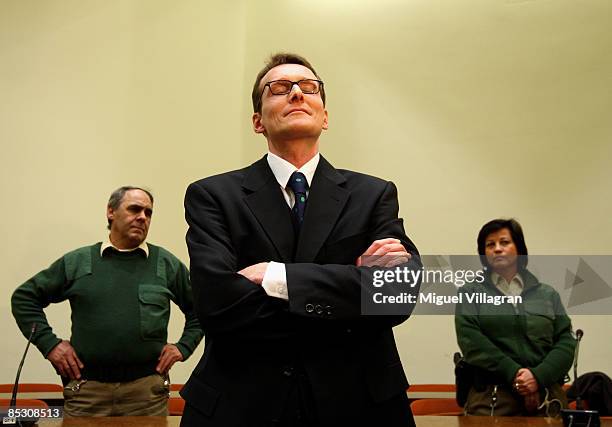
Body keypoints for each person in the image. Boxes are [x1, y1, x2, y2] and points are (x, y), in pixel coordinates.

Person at [181, 53, 422, 427]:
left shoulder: (373, 194)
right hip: (242, 404)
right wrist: (348, 291)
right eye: (279, 88)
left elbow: (396, 295)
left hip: (359, 403)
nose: (296, 94)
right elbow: (216, 304)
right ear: (258, 121)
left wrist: (276, 278)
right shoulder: (213, 195)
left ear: (325, 116)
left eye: (309, 88)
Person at [11, 186, 203, 416]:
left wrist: (183, 347)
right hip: (86, 393)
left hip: (146, 395)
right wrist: (50, 345)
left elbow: (201, 310)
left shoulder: (166, 264)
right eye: (134, 209)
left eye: (148, 212)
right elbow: (25, 298)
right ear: (111, 212)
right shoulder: (79, 262)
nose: (142, 217)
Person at [455, 218, 576, 416]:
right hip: (492, 398)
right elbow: (471, 342)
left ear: (519, 248)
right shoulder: (470, 292)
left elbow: (565, 341)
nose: (497, 249)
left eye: (504, 242)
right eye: (490, 244)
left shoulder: (547, 294)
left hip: (547, 396)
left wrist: (537, 377)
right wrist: (516, 375)